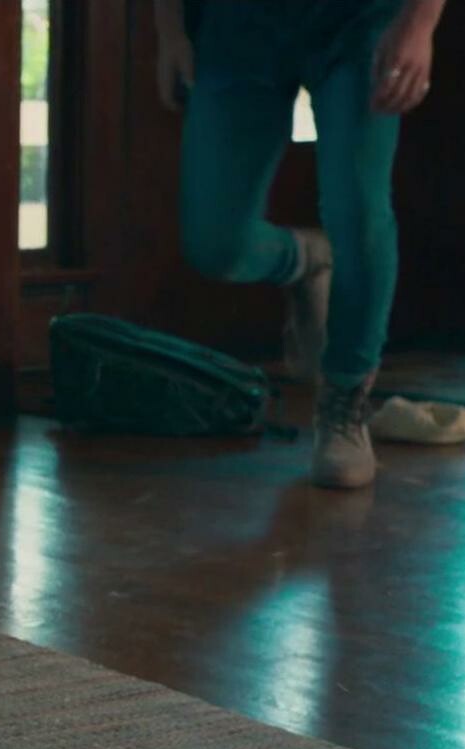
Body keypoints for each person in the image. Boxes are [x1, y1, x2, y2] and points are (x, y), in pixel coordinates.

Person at [153, 0, 446, 488]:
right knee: (215, 246)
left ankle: (345, 400)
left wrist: (419, 24)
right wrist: (169, 30)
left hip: (359, 24)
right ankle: (304, 261)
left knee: (358, 210)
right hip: (238, 26)